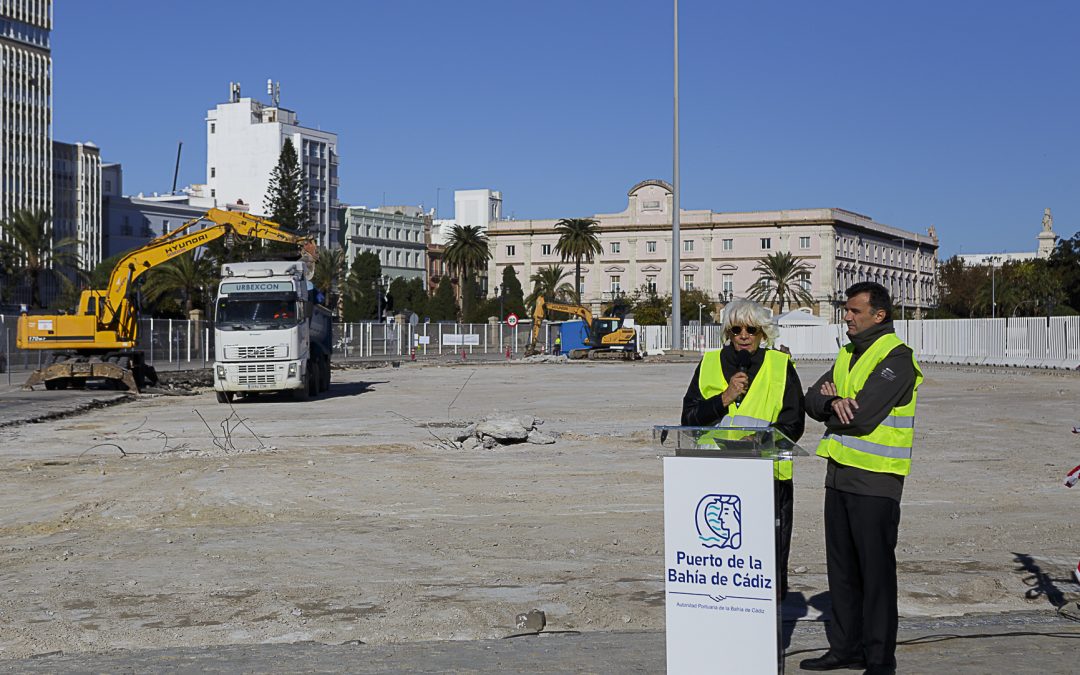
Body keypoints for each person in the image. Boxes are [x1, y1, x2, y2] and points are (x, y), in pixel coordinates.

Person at [800, 282, 922, 675]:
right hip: (838, 477)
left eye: (854, 311)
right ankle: (846, 648)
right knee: (843, 571)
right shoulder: (848, 353)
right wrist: (832, 401)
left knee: (875, 573)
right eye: (846, 310)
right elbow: (810, 398)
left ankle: (879, 659)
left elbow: (865, 415)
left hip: (876, 482)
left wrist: (831, 407)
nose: (846, 317)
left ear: (879, 315)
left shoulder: (897, 358)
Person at [681, 299, 804, 599]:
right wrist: (724, 398)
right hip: (715, 481)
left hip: (767, 480)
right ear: (728, 332)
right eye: (737, 329)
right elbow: (688, 420)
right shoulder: (709, 363)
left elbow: (793, 423)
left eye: (752, 329)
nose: (744, 335)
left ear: (764, 333)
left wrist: (755, 444)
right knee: (723, 564)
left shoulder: (780, 366)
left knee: (765, 567)